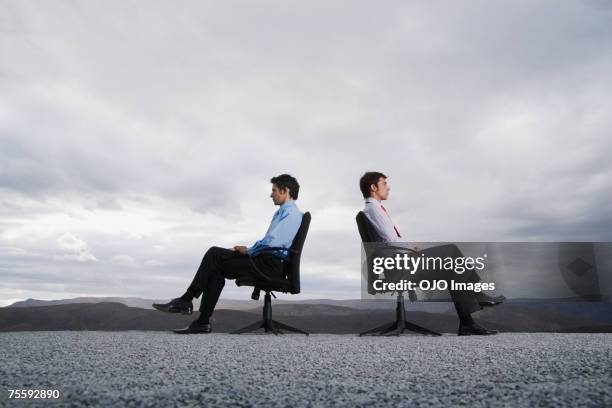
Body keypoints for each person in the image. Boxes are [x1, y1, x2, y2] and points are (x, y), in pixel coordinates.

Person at [359, 171, 505, 336]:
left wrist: (410, 247)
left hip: (398, 262)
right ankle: (478, 295)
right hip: (400, 265)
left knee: (452, 269)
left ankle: (467, 324)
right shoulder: (374, 210)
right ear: (373, 187)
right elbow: (390, 241)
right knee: (451, 250)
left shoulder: (372, 210)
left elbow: (388, 241)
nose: (388, 188)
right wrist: (412, 249)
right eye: (384, 184)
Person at [153, 174, 304, 334]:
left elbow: (273, 243)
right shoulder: (282, 213)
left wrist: (248, 250)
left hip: (269, 264)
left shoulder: (292, 214)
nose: (271, 194)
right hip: (265, 259)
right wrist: (247, 250)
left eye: (274, 190)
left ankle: (187, 300)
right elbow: (270, 242)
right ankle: (201, 322)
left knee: (214, 254)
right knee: (216, 267)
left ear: (285, 190)